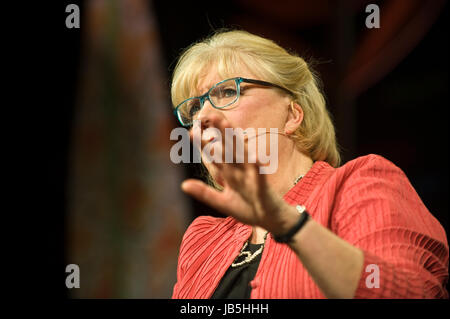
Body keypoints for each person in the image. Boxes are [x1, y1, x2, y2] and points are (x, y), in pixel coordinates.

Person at [170, 29, 448, 299]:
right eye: (193, 108)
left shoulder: (359, 185)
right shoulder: (202, 239)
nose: (202, 117)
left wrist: (291, 225)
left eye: (227, 91)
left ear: (292, 115)